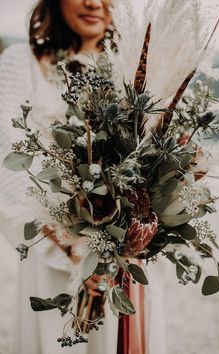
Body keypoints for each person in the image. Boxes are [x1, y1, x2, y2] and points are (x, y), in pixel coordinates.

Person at [0, 1, 167, 354]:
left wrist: (126, 244)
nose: (94, 2)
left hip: (126, 262)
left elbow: (156, 163)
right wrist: (77, 250)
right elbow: (9, 169)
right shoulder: (22, 62)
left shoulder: (140, 67)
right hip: (53, 256)